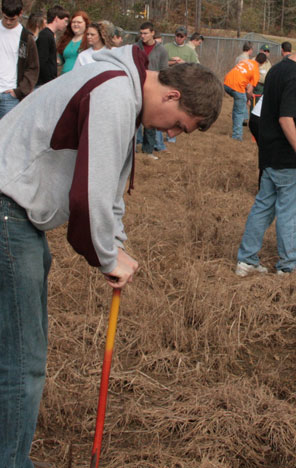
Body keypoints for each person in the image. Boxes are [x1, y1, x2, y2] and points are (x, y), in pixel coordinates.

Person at [0, 44, 224, 468]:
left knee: (15, 350)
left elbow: (111, 185)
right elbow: (90, 195)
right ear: (172, 96)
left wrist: (115, 244)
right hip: (7, 212)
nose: (171, 135)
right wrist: (107, 256)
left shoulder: (124, 90)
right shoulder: (116, 92)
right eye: (179, 126)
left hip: (16, 214)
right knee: (23, 362)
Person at [235, 35, 296, 276]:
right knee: (291, 213)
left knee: (263, 207)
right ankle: (289, 266)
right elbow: (285, 117)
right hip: (289, 159)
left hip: (270, 155)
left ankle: (246, 261)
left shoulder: (277, 70)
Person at [135, 21, 169, 159]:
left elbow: (164, 71)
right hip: (136, 87)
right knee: (133, 119)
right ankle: (130, 149)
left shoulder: (161, 50)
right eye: (141, 33)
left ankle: (148, 151)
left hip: (153, 90)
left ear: (153, 33)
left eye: (145, 33)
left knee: (150, 121)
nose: (143, 36)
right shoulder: (135, 47)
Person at [0, 0, 38, 119]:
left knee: (8, 135)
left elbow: (33, 67)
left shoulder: (26, 37)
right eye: (5, 18)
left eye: (12, 19)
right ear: (2, 12)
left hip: (10, 95)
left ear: (20, 13)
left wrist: (20, 91)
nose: (8, 22)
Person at [223, 52, 265, 141]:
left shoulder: (245, 61)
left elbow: (241, 75)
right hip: (237, 87)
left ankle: (239, 126)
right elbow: (250, 90)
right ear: (263, 63)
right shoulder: (256, 72)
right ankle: (237, 136)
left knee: (238, 107)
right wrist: (249, 98)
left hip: (226, 83)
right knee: (239, 111)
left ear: (255, 58)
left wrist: (247, 95)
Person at [36, 5, 68, 86]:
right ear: (56, 19)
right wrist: (49, 82)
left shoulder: (49, 35)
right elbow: (42, 62)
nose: (66, 24)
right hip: (43, 84)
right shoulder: (45, 36)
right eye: (65, 21)